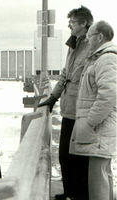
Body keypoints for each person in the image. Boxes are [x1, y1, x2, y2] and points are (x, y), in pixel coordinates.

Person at [38, 6, 93, 200]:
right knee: (65, 156)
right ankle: (70, 193)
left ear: (84, 24)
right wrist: (52, 98)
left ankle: (79, 195)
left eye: (73, 22)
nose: (69, 24)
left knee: (79, 159)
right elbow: (65, 74)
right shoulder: (73, 44)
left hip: (83, 111)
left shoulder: (92, 46)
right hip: (68, 110)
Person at [69, 20, 117, 200]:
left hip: (99, 130)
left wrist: (90, 122)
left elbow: (108, 95)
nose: (88, 40)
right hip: (99, 130)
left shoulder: (107, 58)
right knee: (103, 175)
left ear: (100, 37)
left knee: (98, 180)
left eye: (90, 37)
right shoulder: (100, 57)